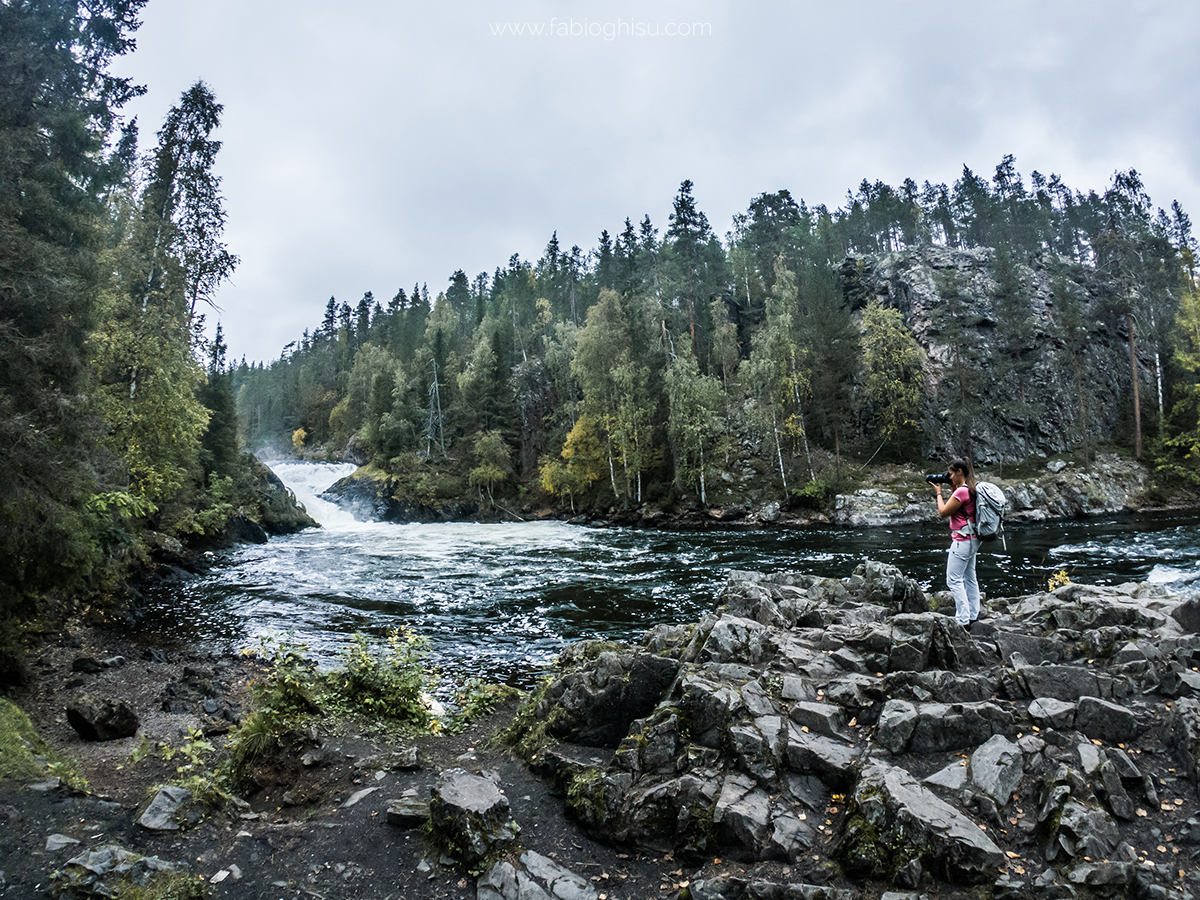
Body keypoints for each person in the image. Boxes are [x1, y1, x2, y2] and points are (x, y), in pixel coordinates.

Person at [931, 457, 980, 630]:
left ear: (959, 472)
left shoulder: (961, 492)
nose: (949, 477)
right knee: (969, 577)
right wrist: (952, 486)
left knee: (954, 580)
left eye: (951, 474)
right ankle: (973, 614)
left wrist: (938, 492)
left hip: (962, 541)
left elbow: (943, 512)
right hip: (973, 539)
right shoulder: (971, 488)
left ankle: (962, 619)